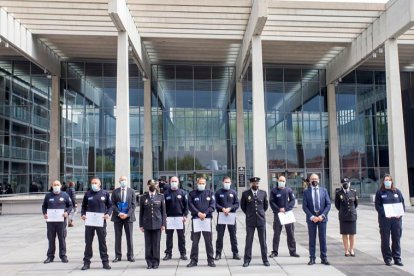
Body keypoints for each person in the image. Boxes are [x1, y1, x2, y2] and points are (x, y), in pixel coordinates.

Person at [80, 177, 112, 270]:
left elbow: (110, 206)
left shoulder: (105, 193)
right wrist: (83, 214)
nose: (94, 184)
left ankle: (105, 262)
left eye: (95, 183)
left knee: (102, 242)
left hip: (101, 222)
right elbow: (83, 207)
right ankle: (86, 262)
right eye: (92, 183)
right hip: (89, 222)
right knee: (88, 243)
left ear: (100, 184)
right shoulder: (87, 193)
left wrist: (108, 214)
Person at [375, 174, 405, 266]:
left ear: (392, 181)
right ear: (383, 181)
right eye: (386, 180)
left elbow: (402, 204)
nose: (388, 181)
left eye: (389, 180)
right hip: (385, 220)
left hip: (396, 220)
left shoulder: (397, 192)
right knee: (385, 239)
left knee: (396, 238)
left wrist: (400, 213)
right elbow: (377, 206)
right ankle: (387, 258)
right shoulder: (380, 192)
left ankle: (397, 258)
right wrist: (385, 214)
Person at [187, 177, 216, 268]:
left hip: (206, 220)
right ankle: (193, 260)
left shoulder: (210, 193)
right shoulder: (192, 194)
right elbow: (190, 205)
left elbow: (212, 205)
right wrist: (198, 213)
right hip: (196, 220)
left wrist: (205, 213)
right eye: (200, 183)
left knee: (208, 241)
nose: (201, 185)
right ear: (197, 183)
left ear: (205, 184)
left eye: (203, 183)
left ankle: (210, 260)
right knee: (195, 242)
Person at [302, 173, 331, 265]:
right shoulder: (306, 192)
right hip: (311, 219)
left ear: (319, 180)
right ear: (310, 181)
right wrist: (312, 216)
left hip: (322, 218)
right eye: (312, 179)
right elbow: (304, 206)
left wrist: (322, 216)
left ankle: (324, 258)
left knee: (323, 239)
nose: (314, 180)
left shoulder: (324, 190)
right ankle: (312, 258)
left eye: (316, 179)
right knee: (312, 239)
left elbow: (328, 204)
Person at [240, 177, 270, 267]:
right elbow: (243, 206)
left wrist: (260, 214)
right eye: (253, 183)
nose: (255, 185)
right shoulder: (245, 194)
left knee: (263, 241)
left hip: (261, 220)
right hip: (250, 220)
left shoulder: (263, 193)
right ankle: (247, 260)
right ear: (250, 184)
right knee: (249, 241)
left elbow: (265, 206)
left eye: (257, 183)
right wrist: (249, 214)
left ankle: (265, 259)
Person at [42, 180, 72, 264]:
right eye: (54, 185)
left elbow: (70, 206)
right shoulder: (48, 196)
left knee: (62, 238)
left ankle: (63, 256)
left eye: (57, 184)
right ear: (52, 186)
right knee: (51, 239)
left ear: (60, 186)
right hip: (50, 222)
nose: (56, 186)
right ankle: (50, 256)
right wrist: (44, 213)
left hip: (61, 222)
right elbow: (44, 206)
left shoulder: (65, 195)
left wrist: (67, 212)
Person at [269, 175, 299, 258]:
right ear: (277, 181)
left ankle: (292, 251)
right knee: (276, 234)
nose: (281, 182)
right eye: (280, 180)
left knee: (290, 233)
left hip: (287, 214)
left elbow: (293, 201)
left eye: (283, 181)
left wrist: (286, 208)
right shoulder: (274, 191)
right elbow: (271, 202)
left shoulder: (289, 190)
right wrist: (279, 209)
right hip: (278, 214)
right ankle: (275, 251)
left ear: (285, 182)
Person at [139, 179, 167, 269]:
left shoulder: (160, 196)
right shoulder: (143, 197)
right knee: (148, 244)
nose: (152, 186)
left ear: (156, 186)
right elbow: (141, 212)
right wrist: (141, 225)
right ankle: (149, 262)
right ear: (147, 186)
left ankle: (156, 262)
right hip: (146, 224)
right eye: (150, 184)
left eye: (154, 184)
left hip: (157, 223)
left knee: (156, 244)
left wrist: (163, 224)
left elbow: (163, 212)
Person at [214, 176, 240, 260]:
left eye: (228, 182)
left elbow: (237, 204)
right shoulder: (218, 192)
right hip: (221, 216)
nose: (227, 184)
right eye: (226, 182)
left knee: (233, 235)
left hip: (231, 216)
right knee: (220, 236)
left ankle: (235, 253)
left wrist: (230, 208)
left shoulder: (234, 192)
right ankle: (218, 253)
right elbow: (215, 203)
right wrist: (222, 208)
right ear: (222, 182)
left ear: (231, 183)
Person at [111, 176, 137, 263]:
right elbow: (113, 204)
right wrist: (119, 213)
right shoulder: (115, 191)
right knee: (118, 237)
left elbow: (134, 205)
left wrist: (127, 214)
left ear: (127, 181)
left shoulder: (132, 191)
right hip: (118, 217)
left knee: (129, 237)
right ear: (119, 181)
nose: (123, 181)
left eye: (125, 180)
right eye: (122, 180)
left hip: (128, 217)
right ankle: (118, 256)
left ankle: (130, 256)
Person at [163, 176, 188, 261]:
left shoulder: (183, 193)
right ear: (170, 182)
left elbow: (186, 206)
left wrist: (185, 215)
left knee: (181, 237)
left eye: (175, 181)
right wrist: (164, 216)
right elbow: (163, 207)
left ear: (178, 182)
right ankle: (168, 254)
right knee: (169, 237)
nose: (174, 182)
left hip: (179, 218)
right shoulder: (166, 193)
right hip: (169, 218)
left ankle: (183, 253)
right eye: (172, 181)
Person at [335, 177, 358, 257]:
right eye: (344, 183)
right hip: (343, 216)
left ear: (349, 183)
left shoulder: (353, 192)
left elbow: (355, 204)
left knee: (352, 234)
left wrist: (351, 210)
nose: (345, 184)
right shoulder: (338, 193)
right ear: (341, 184)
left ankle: (351, 249)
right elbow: (337, 205)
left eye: (347, 183)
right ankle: (346, 250)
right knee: (344, 234)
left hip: (352, 215)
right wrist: (343, 211)